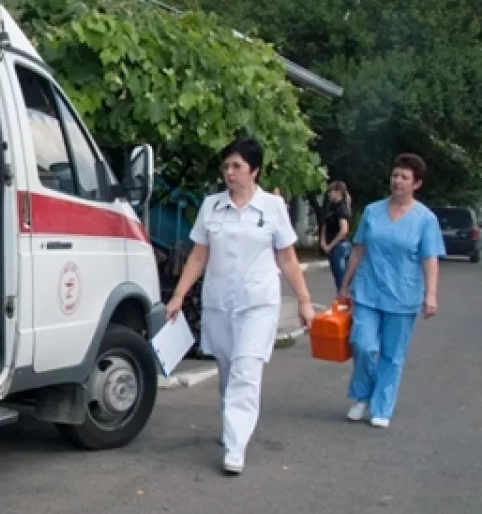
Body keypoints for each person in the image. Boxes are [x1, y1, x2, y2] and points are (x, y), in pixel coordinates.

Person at [166, 137, 315, 475]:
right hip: (220, 302)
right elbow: (199, 254)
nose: (229, 173)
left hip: (258, 302)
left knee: (246, 371)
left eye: (237, 167)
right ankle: (233, 426)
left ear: (254, 171)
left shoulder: (273, 209)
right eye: (226, 166)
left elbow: (288, 258)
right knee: (227, 371)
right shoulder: (211, 206)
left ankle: (235, 448)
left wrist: (305, 301)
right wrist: (178, 296)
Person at [336, 154, 443, 428]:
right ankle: (363, 395)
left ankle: (382, 406)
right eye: (395, 175)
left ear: (416, 184)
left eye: (404, 177)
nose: (397, 181)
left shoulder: (425, 219)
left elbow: (430, 258)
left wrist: (431, 294)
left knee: (392, 355)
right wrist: (345, 284)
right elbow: (359, 249)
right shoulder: (372, 211)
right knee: (363, 344)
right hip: (368, 291)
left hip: (403, 295)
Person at [321, 181, 352, 291]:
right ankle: (344, 302)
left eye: (331, 191)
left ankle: (344, 304)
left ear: (338, 192)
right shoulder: (332, 207)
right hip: (334, 247)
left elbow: (344, 230)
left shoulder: (341, 208)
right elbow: (325, 225)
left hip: (339, 247)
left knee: (341, 280)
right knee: (339, 278)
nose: (329, 194)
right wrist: (323, 241)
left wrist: (330, 245)